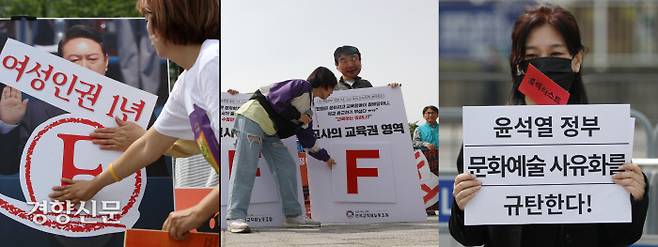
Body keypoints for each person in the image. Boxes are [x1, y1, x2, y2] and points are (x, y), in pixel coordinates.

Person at [449, 4, 649, 247]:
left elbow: (621, 236)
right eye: (532, 56)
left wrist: (636, 196)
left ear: (576, 60)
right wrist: (462, 205)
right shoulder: (486, 139)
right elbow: (470, 237)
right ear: (518, 63)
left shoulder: (605, 136)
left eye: (555, 55)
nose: (544, 65)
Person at [48, 0, 219, 241]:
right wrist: (94, 185)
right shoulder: (187, 79)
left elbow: (238, 158)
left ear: (168, 20)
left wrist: (200, 211)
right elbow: (149, 145)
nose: (147, 29)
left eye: (149, 19)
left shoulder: (211, 61)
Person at [0, 24, 170, 176]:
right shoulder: (34, 111)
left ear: (106, 63)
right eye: (74, 60)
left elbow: (158, 178)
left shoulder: (136, 110)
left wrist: (143, 142)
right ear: (60, 64)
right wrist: (9, 124)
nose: (84, 67)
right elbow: (8, 169)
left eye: (92, 59)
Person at [225, 67, 337, 233]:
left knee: (286, 166)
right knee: (246, 165)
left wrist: (326, 158)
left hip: (270, 130)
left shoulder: (308, 111)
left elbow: (308, 141)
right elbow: (277, 99)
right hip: (253, 117)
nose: (332, 93)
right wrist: (297, 116)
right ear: (325, 84)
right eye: (332, 89)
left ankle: (292, 216)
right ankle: (235, 217)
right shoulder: (301, 86)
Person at [333, 45, 400, 90]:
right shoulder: (334, 88)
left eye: (354, 59)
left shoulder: (365, 84)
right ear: (337, 65)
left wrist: (389, 91)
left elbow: (377, 103)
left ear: (360, 60)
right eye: (344, 61)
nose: (350, 65)